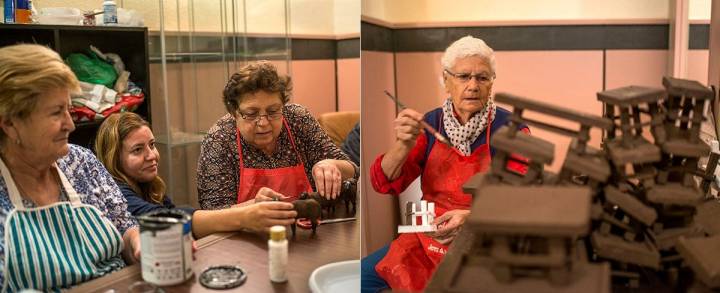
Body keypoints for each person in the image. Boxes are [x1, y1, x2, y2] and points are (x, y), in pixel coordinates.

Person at [361, 36, 530, 292]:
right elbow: (383, 184)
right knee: (361, 279)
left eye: (482, 77)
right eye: (463, 76)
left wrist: (472, 217)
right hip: (431, 234)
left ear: (491, 83)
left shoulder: (512, 130)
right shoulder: (430, 124)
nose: (473, 86)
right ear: (446, 81)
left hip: (488, 236)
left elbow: (524, 201)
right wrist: (402, 145)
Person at [0, 44, 141, 291]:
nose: (71, 124)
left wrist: (142, 244)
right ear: (11, 124)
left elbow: (125, 228)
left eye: (69, 109)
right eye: (56, 113)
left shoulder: (80, 163)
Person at [95, 112, 298, 238]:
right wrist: (244, 217)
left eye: (152, 145)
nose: (152, 156)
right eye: (137, 150)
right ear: (114, 158)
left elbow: (182, 216)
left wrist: (253, 205)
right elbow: (170, 221)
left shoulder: (148, 186)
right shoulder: (116, 193)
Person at [197, 61, 358, 209]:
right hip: (246, 238)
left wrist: (331, 165)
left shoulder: (298, 119)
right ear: (234, 112)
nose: (263, 123)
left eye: (273, 111)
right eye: (251, 114)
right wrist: (253, 207)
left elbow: (354, 171)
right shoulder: (219, 139)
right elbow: (214, 213)